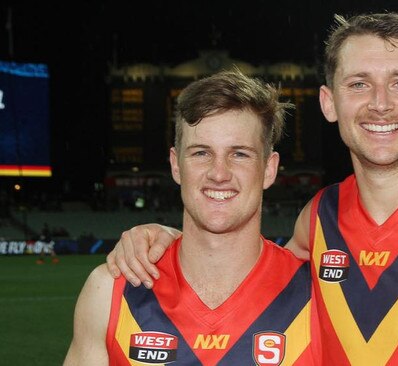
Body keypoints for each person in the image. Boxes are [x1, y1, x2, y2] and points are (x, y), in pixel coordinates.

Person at [107, 12, 398, 364]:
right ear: (329, 102)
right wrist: (160, 236)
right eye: (359, 84)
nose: (380, 104)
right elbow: (235, 259)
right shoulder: (317, 220)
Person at [64, 70, 318, 365]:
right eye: (200, 153)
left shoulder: (318, 297)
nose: (219, 173)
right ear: (175, 165)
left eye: (240, 154)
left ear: (269, 169)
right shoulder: (110, 291)